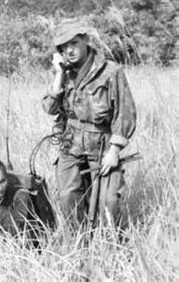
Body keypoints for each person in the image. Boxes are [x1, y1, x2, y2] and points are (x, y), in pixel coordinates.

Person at [41, 19, 137, 229]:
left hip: (101, 145)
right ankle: (78, 244)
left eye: (74, 43)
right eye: (63, 47)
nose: (69, 50)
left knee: (109, 203)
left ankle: (112, 245)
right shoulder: (64, 73)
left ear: (85, 40)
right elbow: (49, 108)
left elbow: (125, 113)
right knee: (67, 197)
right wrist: (59, 76)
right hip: (71, 143)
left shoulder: (111, 72)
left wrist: (114, 151)